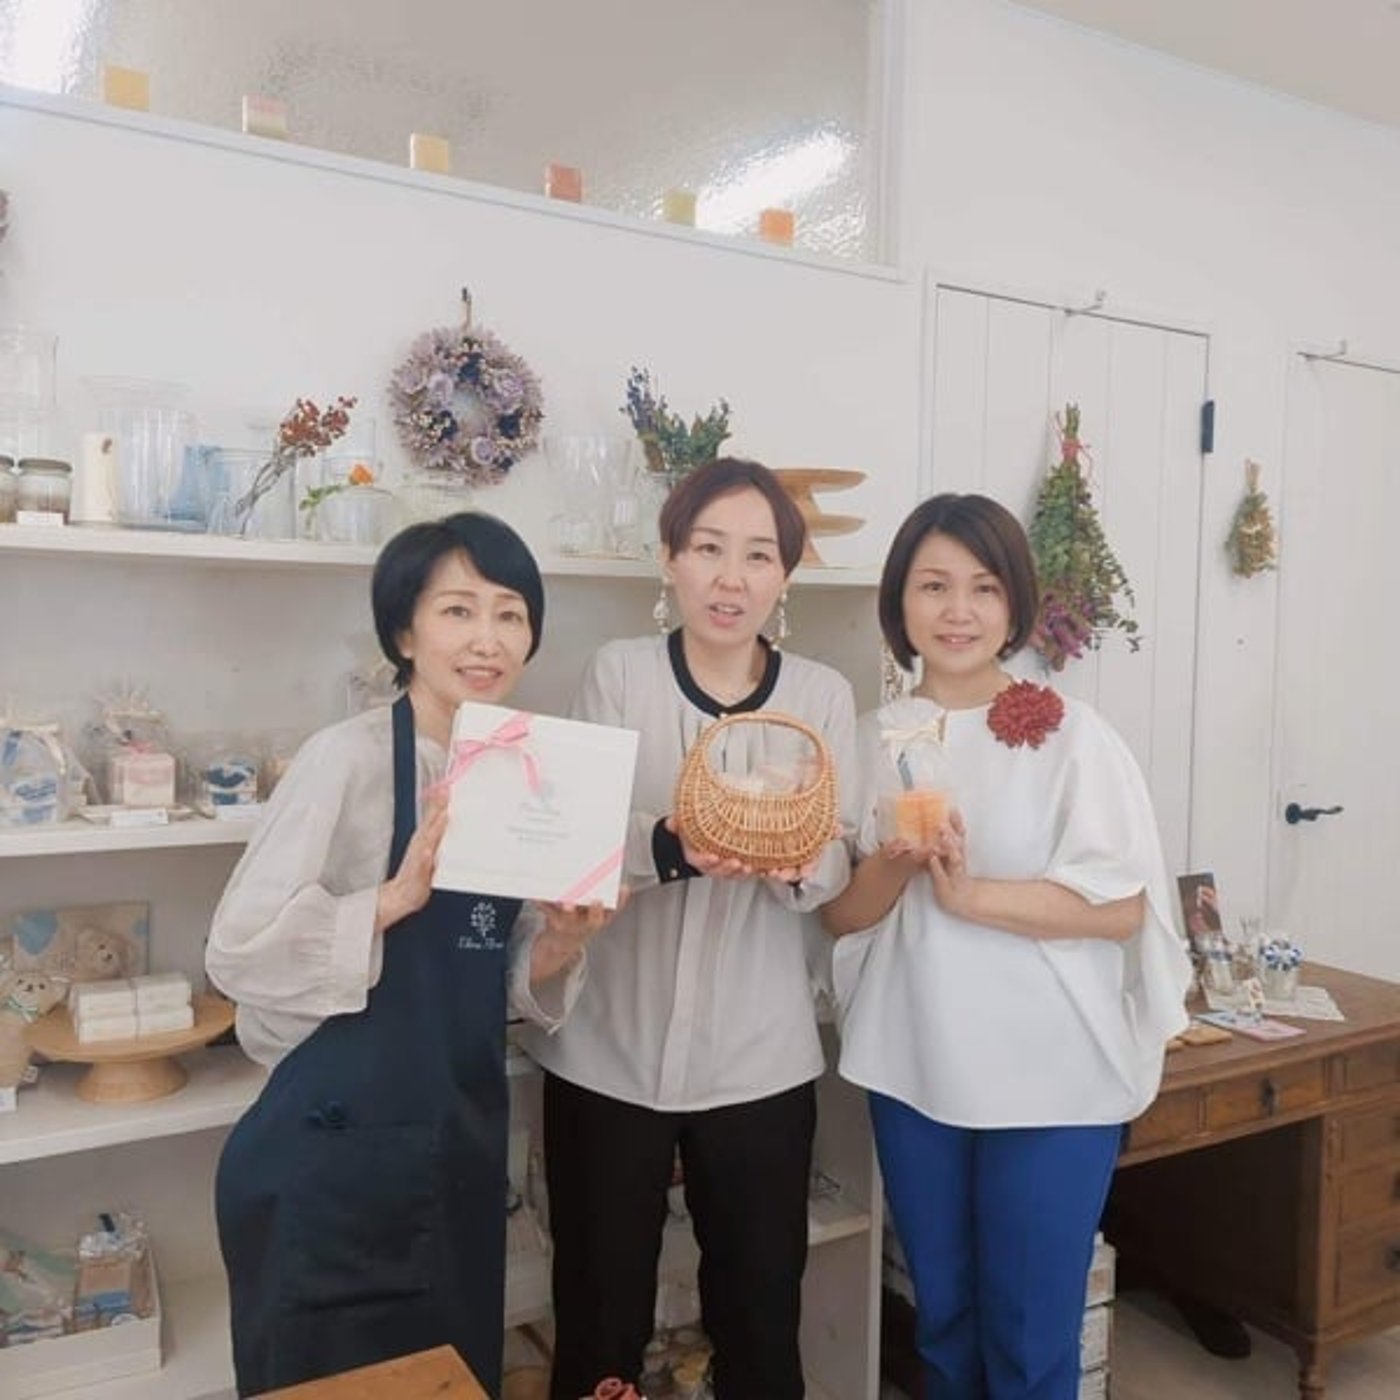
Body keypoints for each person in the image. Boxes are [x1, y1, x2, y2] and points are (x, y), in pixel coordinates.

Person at [208, 512, 608, 1397]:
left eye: (510, 614)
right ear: (404, 632)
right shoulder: (346, 759)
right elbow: (237, 950)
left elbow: (490, 972)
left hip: (456, 1149)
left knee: (449, 1377)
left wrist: (559, 942)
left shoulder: (520, 768)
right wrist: (388, 902)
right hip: (334, 1158)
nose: (487, 638)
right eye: (458, 610)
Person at [822, 493, 1191, 1400]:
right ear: (899, 601)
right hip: (916, 1065)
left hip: (1053, 1078)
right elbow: (840, 917)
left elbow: (1120, 908)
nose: (958, 611)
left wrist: (972, 895)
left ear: (1016, 604)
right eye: (933, 585)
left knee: (1030, 1340)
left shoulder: (1072, 736)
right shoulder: (870, 739)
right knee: (944, 1325)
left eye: (983, 588)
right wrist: (899, 863)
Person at [522, 458, 859, 1400]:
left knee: (760, 1318)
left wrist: (792, 859)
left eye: (758, 556)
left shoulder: (821, 696)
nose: (730, 579)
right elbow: (577, 841)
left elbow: (836, 857)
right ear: (669, 558)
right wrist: (671, 845)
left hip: (760, 1064)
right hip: (607, 1056)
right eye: (708, 548)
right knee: (599, 1322)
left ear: (785, 575)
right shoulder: (620, 674)